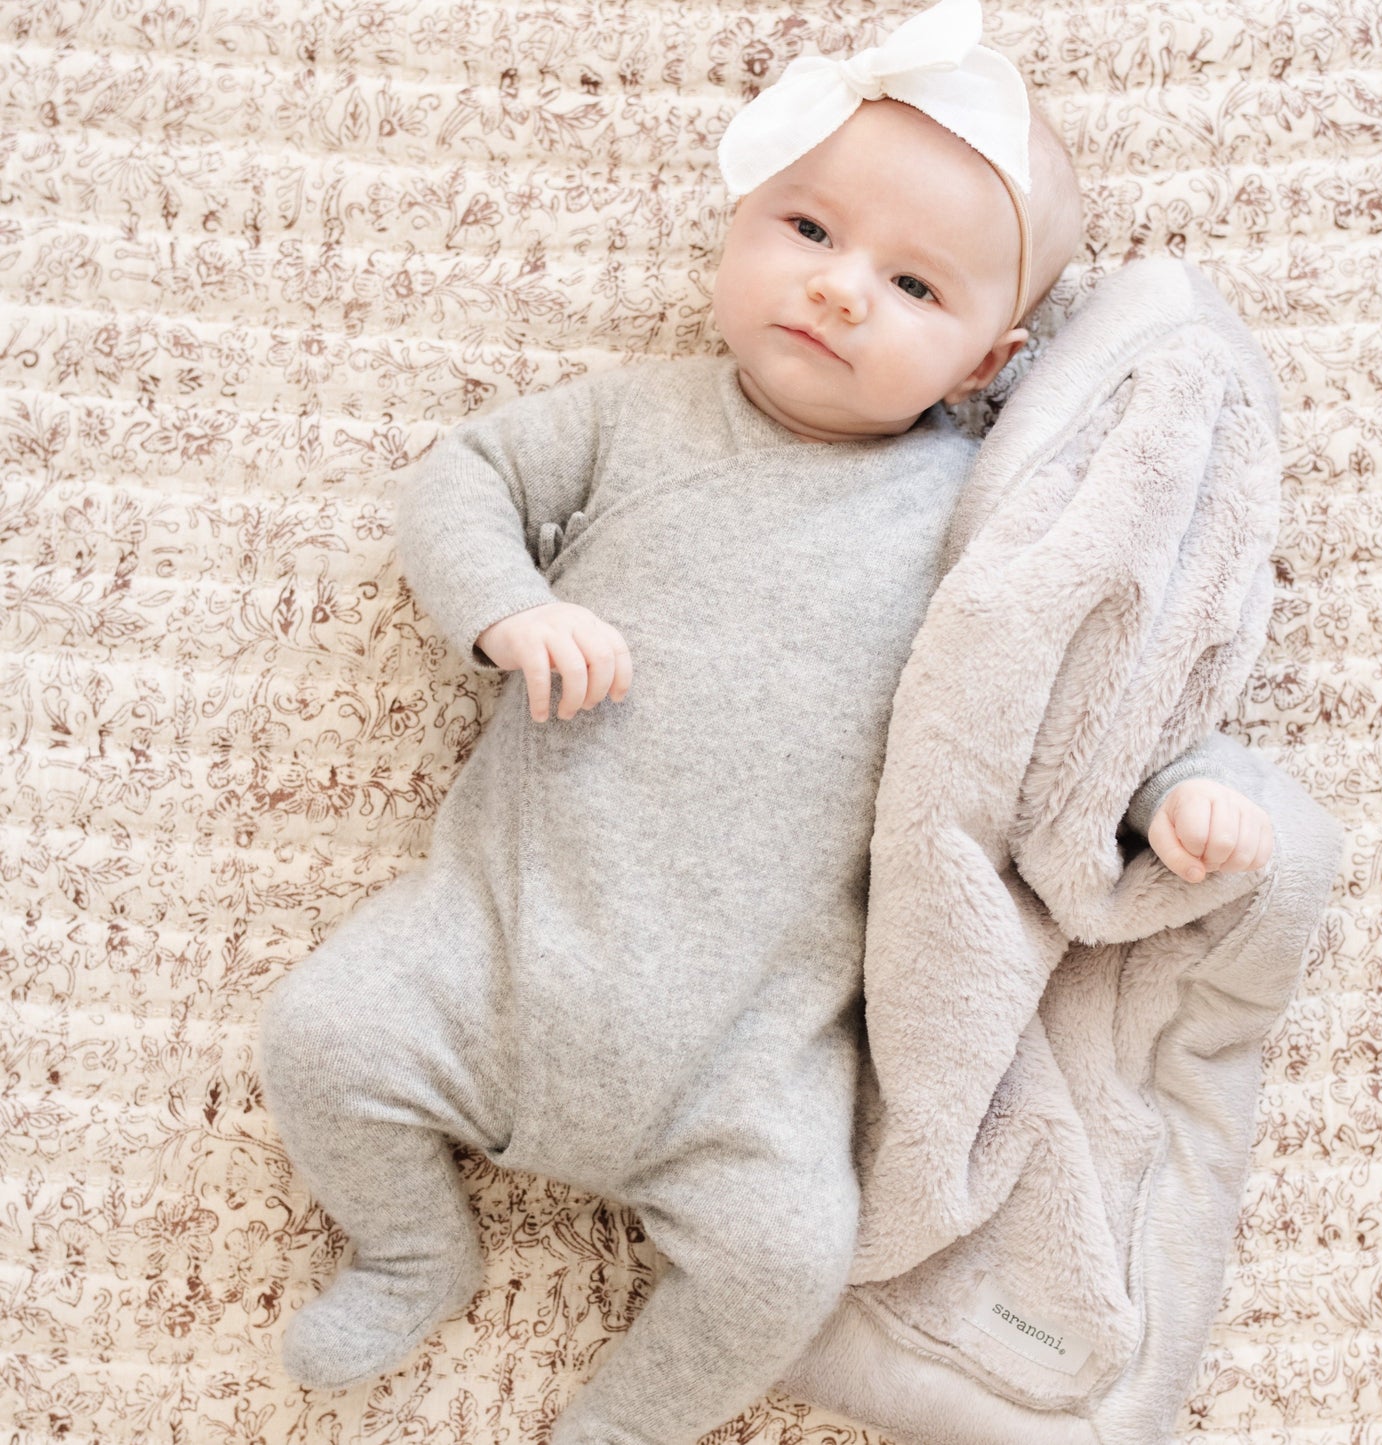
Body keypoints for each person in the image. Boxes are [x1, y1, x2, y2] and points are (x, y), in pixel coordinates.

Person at [257, 3, 1274, 1440]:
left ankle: (621, 1421)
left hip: (747, 1059)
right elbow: (463, 479)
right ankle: (414, 1244)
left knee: (788, 1256)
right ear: (740, 223)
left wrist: (1179, 792)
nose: (841, 290)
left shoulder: (975, 537)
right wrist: (508, 609)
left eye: (914, 284)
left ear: (989, 366)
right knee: (317, 1036)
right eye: (807, 231)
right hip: (485, 953)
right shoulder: (636, 420)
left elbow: (1085, 698)